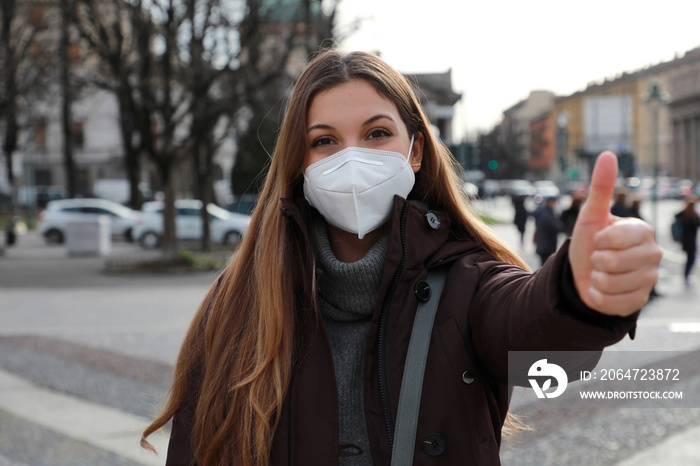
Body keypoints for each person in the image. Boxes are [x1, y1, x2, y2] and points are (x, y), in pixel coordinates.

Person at [141, 50, 662, 466]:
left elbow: (533, 332)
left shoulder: (469, 282)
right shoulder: (239, 302)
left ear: (415, 150)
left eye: (376, 134)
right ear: (299, 162)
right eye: (324, 141)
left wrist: (577, 293)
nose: (352, 159)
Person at [533, 196, 565, 266]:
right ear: (551, 202)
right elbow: (557, 227)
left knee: (543, 266)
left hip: (543, 244)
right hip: (547, 246)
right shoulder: (548, 215)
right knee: (546, 266)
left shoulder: (543, 212)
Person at [675, 196, 700, 284]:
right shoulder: (690, 215)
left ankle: (686, 274)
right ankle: (686, 274)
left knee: (690, 257)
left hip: (687, 239)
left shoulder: (688, 214)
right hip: (688, 240)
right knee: (691, 257)